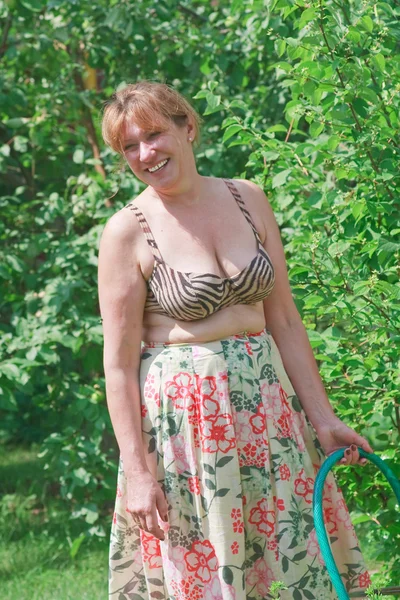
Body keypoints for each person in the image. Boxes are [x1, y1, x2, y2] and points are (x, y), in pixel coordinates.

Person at [98, 81, 373, 600]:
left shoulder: (247, 198)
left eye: (154, 135)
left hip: (269, 412)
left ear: (189, 127)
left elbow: (285, 320)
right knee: (209, 568)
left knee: (291, 557)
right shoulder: (126, 231)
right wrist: (137, 471)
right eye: (129, 146)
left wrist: (324, 420)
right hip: (188, 430)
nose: (145, 154)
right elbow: (117, 363)